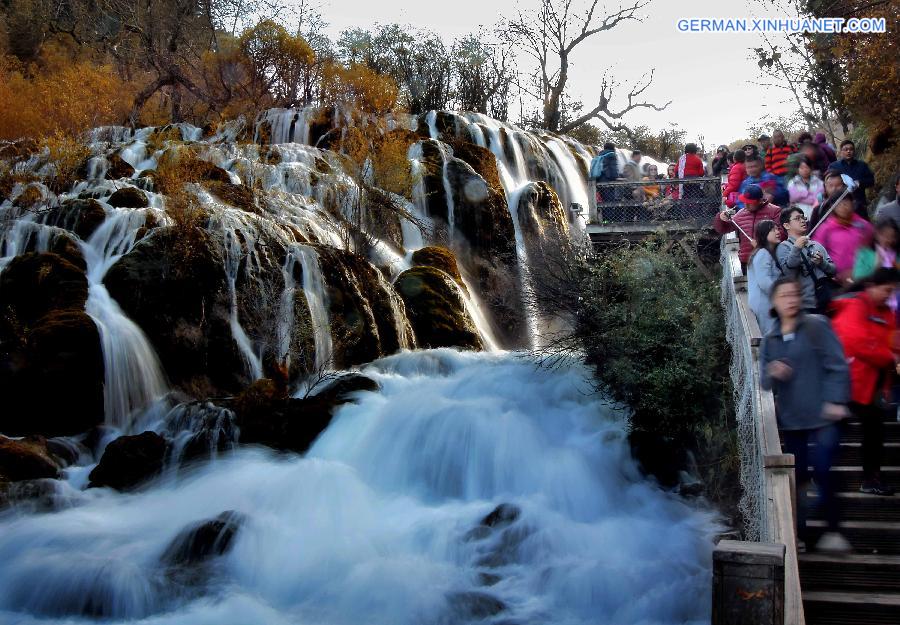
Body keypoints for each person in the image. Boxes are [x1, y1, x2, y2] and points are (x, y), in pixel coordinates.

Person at [760, 277, 851, 551]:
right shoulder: (771, 339)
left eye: (794, 294)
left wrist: (835, 399)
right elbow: (763, 382)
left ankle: (833, 530)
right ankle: (798, 533)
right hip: (793, 418)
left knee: (823, 469)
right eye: (784, 295)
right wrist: (772, 372)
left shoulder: (816, 326)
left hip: (823, 414)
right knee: (797, 477)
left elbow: (837, 365)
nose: (790, 300)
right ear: (774, 302)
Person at [831, 267, 900, 496]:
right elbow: (854, 340)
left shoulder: (886, 312)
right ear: (872, 287)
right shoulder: (856, 306)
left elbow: (893, 341)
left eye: (892, 292)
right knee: (838, 430)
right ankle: (824, 475)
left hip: (876, 384)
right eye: (886, 290)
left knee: (874, 435)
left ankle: (871, 479)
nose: (889, 296)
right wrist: (889, 356)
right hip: (852, 381)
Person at [777, 206, 837, 313]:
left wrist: (822, 263)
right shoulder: (783, 247)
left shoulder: (816, 244)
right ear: (786, 225)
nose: (803, 221)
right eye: (797, 218)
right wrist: (796, 248)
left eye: (803, 218)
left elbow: (833, 270)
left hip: (826, 300)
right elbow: (789, 273)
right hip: (805, 306)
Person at [714, 184, 784, 267]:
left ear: (760, 200)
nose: (746, 205)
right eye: (745, 201)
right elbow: (723, 229)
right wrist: (720, 218)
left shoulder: (774, 211)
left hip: (770, 258)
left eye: (750, 203)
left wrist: (762, 245)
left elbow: (782, 234)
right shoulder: (741, 213)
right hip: (747, 260)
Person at [812, 193, 875, 284]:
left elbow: (873, 245)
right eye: (839, 204)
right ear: (833, 207)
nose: (843, 207)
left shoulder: (863, 225)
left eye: (846, 203)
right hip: (837, 280)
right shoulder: (825, 229)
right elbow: (817, 250)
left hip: (865, 277)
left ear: (852, 204)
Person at [748, 220, 783, 334]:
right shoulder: (763, 253)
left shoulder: (763, 252)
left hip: (765, 303)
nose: (777, 232)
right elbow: (764, 281)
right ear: (764, 234)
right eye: (772, 230)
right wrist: (782, 294)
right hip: (765, 304)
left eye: (777, 228)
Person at [827, 140, 875, 218]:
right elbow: (828, 183)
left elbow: (871, 181)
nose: (848, 151)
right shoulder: (834, 167)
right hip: (841, 204)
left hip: (860, 203)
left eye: (851, 149)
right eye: (846, 149)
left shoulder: (862, 165)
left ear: (854, 151)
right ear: (841, 151)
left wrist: (859, 183)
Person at [853, 217, 899, 282]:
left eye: (892, 236)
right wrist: (876, 267)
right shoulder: (864, 252)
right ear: (877, 234)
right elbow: (858, 277)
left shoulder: (897, 253)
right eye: (884, 235)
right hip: (872, 288)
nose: (888, 240)